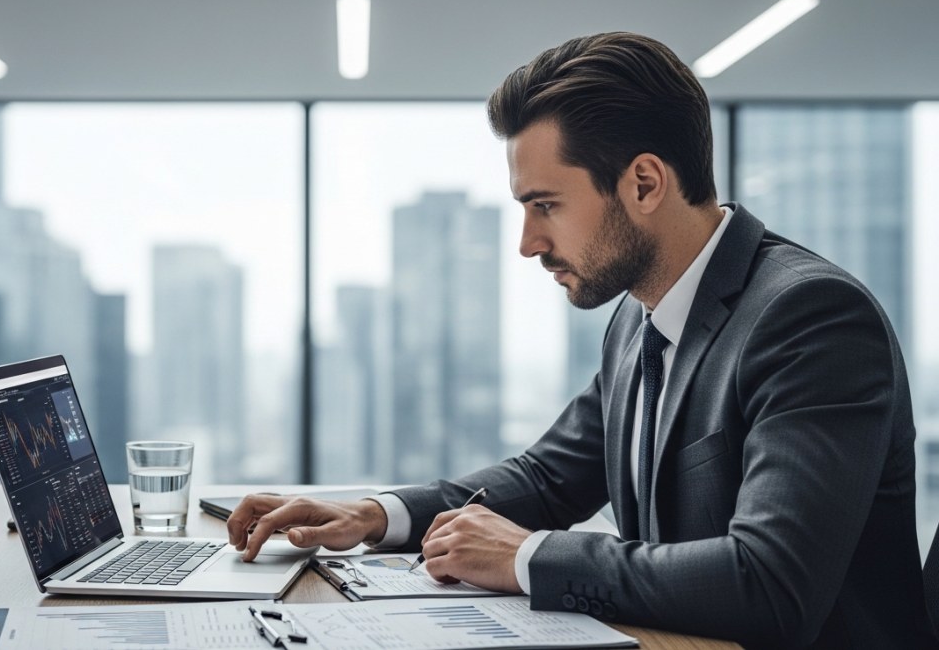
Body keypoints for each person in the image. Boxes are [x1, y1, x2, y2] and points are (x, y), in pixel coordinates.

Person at [227, 32, 932, 648]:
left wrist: (529, 555)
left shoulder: (810, 316)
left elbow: (771, 581)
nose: (529, 243)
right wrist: (377, 513)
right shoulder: (640, 315)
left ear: (645, 184)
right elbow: (546, 477)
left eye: (546, 206)